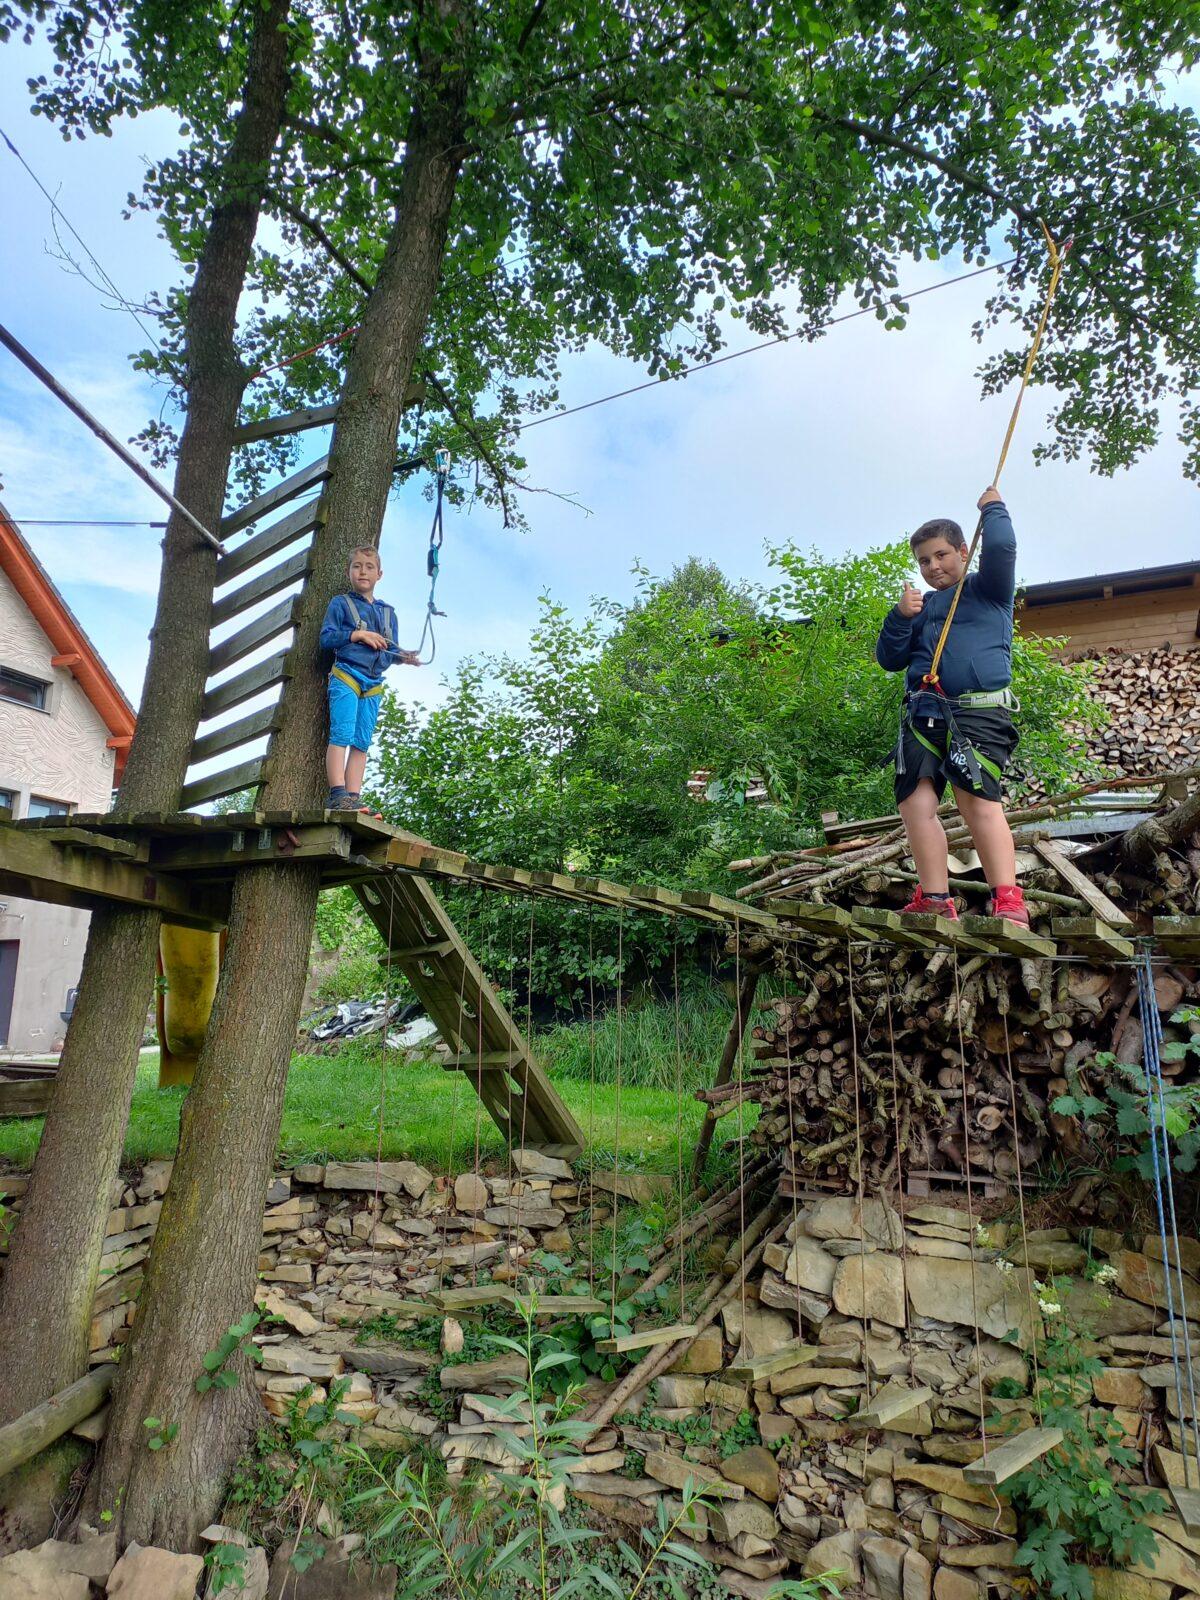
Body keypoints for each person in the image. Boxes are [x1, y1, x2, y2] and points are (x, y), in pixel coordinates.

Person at [875, 487, 1028, 927]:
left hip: (977, 712)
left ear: (963, 550)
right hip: (924, 715)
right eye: (924, 560)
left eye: (941, 555)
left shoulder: (989, 589)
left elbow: (1002, 547)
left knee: (975, 798)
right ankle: (936, 898)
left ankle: (1008, 900)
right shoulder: (920, 608)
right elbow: (890, 658)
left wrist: (994, 508)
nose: (933, 567)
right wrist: (900, 617)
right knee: (913, 804)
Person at [320, 546, 419, 810]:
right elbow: (326, 638)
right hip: (347, 675)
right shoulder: (341, 604)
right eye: (357, 566)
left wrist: (404, 657)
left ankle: (353, 797)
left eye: (369, 567)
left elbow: (391, 649)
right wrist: (357, 635)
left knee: (362, 742)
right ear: (348, 572)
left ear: (379, 574)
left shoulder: (388, 613)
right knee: (341, 733)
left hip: (374, 683)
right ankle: (337, 795)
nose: (363, 571)